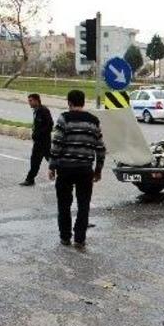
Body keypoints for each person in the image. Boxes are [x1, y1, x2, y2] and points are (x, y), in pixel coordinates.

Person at [49, 90, 106, 248]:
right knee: (83, 205)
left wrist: (52, 166)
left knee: (64, 205)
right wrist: (98, 169)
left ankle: (65, 237)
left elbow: (56, 144)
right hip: (85, 170)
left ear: (69, 103)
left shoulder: (64, 118)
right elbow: (100, 148)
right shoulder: (94, 121)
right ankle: (80, 239)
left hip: (65, 169)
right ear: (83, 102)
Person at [20, 93, 53, 186]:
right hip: (39, 141)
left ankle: (30, 179)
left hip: (42, 142)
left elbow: (50, 125)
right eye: (29, 101)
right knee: (43, 160)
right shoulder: (37, 110)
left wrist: (39, 134)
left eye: (30, 101)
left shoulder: (43, 110)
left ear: (36, 100)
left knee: (36, 160)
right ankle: (30, 179)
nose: (29, 103)